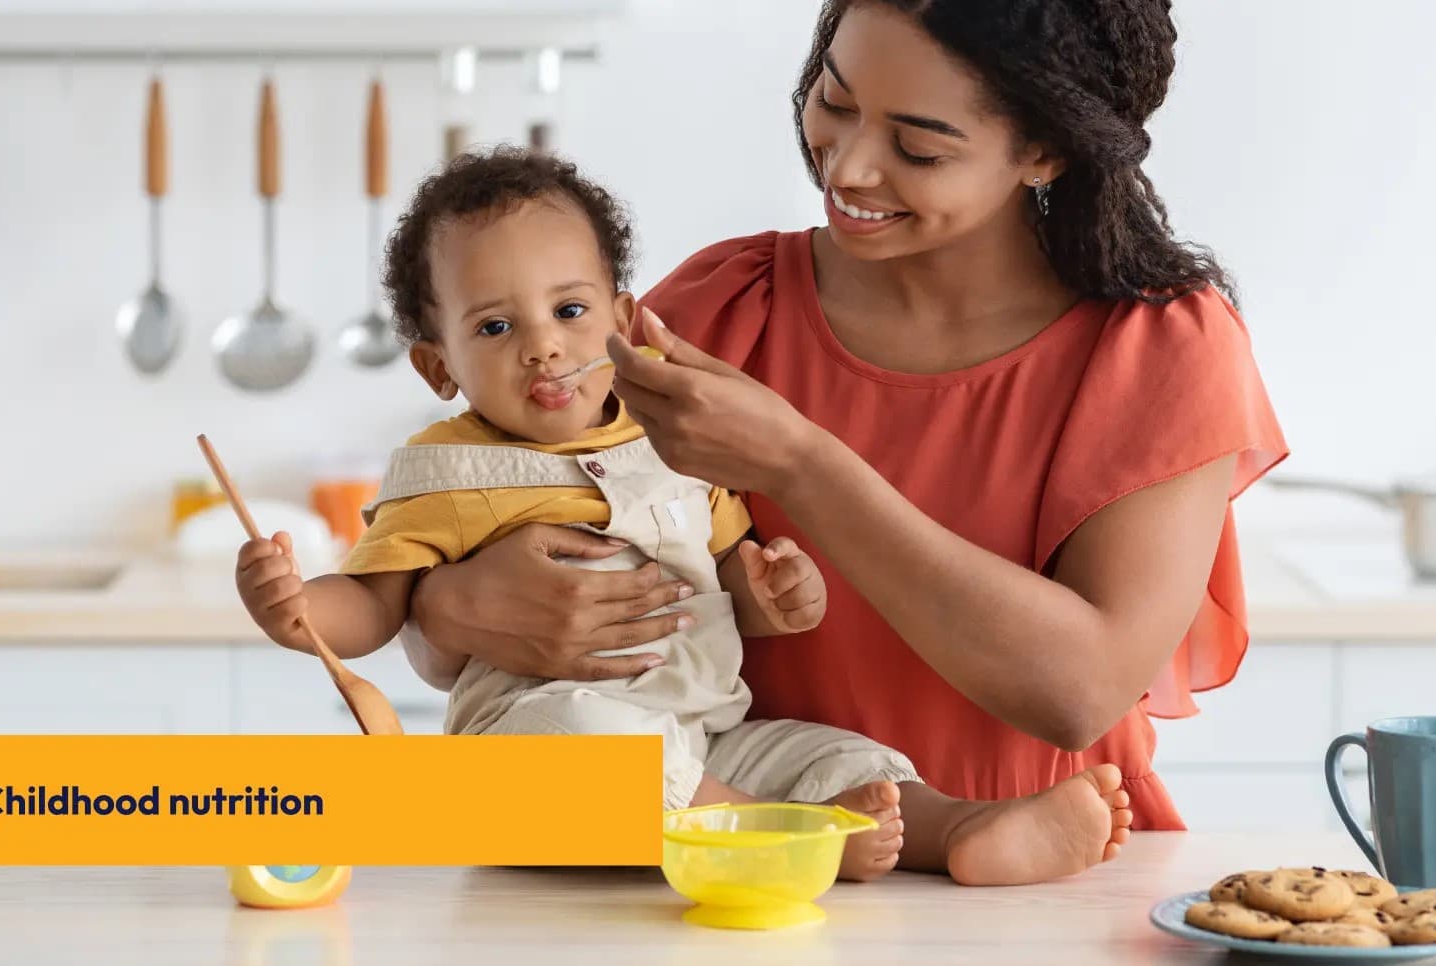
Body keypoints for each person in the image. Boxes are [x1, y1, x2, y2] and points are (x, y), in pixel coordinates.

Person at [400, 0, 1289, 872]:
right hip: (746, 870)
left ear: (1046, 150)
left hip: (1040, 882)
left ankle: (953, 829)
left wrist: (800, 461)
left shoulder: (1156, 348)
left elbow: (1081, 691)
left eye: (918, 146)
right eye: (833, 99)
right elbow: (505, 606)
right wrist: (449, 606)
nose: (849, 167)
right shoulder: (722, 305)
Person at [234, 147, 1133, 885]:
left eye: (570, 310)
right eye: (496, 329)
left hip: (711, 732)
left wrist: (781, 592)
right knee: (585, 740)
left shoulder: (672, 435)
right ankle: (767, 839)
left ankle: (959, 831)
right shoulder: (442, 470)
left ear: (624, 317)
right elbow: (375, 606)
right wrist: (296, 608)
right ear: (439, 367)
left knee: (836, 757)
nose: (544, 343)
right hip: (544, 748)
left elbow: (737, 581)